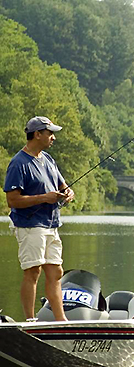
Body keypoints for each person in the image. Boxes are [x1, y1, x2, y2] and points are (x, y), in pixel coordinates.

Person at [3, 116, 75, 322]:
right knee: (33, 271)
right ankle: (30, 321)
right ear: (37, 134)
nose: (53, 137)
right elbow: (12, 200)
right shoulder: (18, 163)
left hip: (52, 225)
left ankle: (61, 322)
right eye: (50, 133)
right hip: (30, 226)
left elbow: (64, 186)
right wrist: (45, 197)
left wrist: (68, 193)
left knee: (56, 272)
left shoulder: (49, 160)